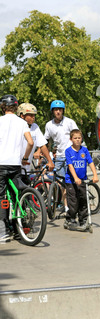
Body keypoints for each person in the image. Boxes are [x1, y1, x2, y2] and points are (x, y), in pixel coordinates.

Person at [0, 95, 34, 242]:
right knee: (16, 195)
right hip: (15, 164)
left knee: (1, 197)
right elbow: (31, 142)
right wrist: (25, 158)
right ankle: (19, 229)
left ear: (2, 107)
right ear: (15, 107)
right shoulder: (22, 123)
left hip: (1, 164)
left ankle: (3, 231)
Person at [42, 100, 78, 214]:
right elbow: (45, 141)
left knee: (69, 182)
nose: (58, 112)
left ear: (63, 110)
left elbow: (77, 136)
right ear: (53, 111)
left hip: (70, 156)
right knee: (60, 183)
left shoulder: (69, 122)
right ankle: (66, 206)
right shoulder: (49, 125)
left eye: (60, 109)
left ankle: (74, 204)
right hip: (58, 157)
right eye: (56, 110)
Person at [64, 129, 99, 231]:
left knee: (84, 200)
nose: (77, 140)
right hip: (71, 181)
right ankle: (69, 218)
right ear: (71, 139)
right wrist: (75, 178)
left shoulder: (84, 150)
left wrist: (95, 175)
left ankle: (82, 220)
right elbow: (70, 166)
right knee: (73, 202)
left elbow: (91, 162)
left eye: (79, 138)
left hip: (83, 180)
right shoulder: (68, 151)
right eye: (75, 138)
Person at [17, 103, 54, 174]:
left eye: (34, 115)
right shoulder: (16, 127)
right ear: (22, 115)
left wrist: (50, 161)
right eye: (30, 115)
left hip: (26, 168)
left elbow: (43, 145)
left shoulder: (35, 127)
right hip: (16, 167)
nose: (33, 117)